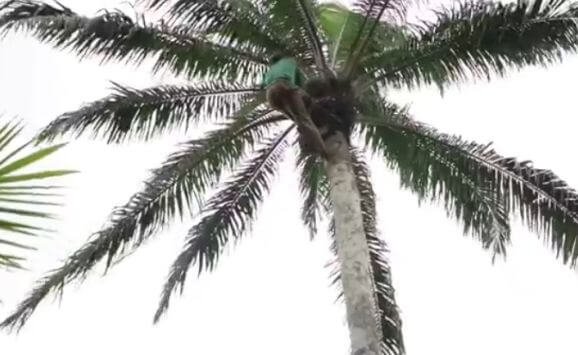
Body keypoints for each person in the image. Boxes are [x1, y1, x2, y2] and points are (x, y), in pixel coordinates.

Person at [262, 54, 328, 157]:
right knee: (305, 119)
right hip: (284, 86)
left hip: (270, 96)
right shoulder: (289, 61)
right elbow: (301, 84)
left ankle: (307, 138)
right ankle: (323, 150)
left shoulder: (269, 71)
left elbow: (263, 85)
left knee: (298, 121)